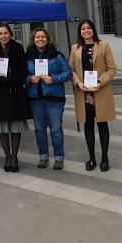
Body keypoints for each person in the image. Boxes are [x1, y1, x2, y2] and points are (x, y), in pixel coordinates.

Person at [69, 19, 117, 172]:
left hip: (100, 91)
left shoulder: (103, 46)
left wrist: (99, 81)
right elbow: (71, 70)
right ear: (80, 32)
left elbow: (112, 69)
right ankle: (92, 158)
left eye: (88, 28)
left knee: (102, 125)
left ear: (93, 30)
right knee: (88, 126)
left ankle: (104, 158)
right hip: (83, 93)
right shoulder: (75, 48)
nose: (86, 31)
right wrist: (78, 83)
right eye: (83, 28)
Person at [0, 24, 30, 172]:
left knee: (15, 127)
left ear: (10, 34)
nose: (3, 36)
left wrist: (12, 78)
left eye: (5, 33)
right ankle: (7, 157)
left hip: (14, 90)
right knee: (2, 127)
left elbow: (23, 70)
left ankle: (15, 157)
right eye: (0, 33)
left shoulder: (18, 48)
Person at [25, 27, 72, 170]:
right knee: (39, 129)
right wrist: (29, 79)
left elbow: (68, 73)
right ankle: (43, 156)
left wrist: (54, 78)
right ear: (33, 40)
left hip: (54, 99)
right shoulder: (27, 56)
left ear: (47, 39)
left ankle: (59, 157)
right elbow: (21, 74)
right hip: (36, 99)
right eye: (37, 37)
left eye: (43, 37)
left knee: (56, 129)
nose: (40, 39)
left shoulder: (57, 55)